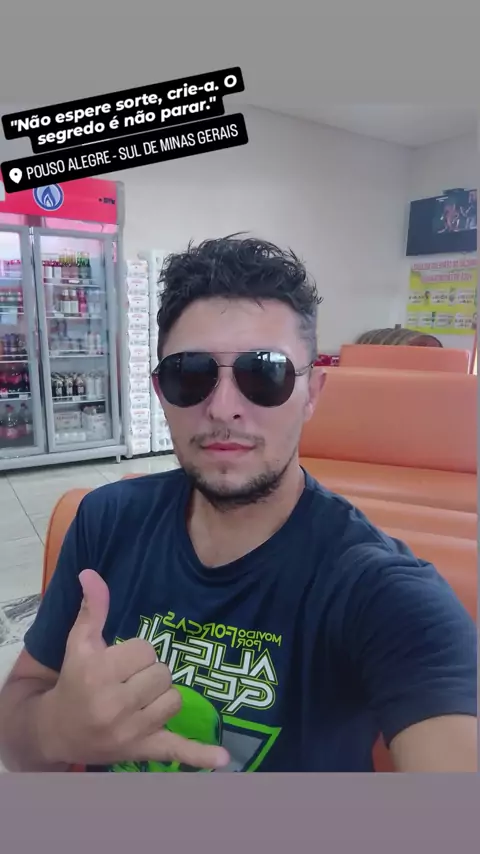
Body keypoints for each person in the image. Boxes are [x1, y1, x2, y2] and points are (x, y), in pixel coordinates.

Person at [0, 236, 476, 773]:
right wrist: (55, 730)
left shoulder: (380, 591)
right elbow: (17, 733)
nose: (223, 408)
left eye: (264, 373)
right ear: (160, 391)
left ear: (313, 393)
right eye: (190, 374)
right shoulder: (106, 520)